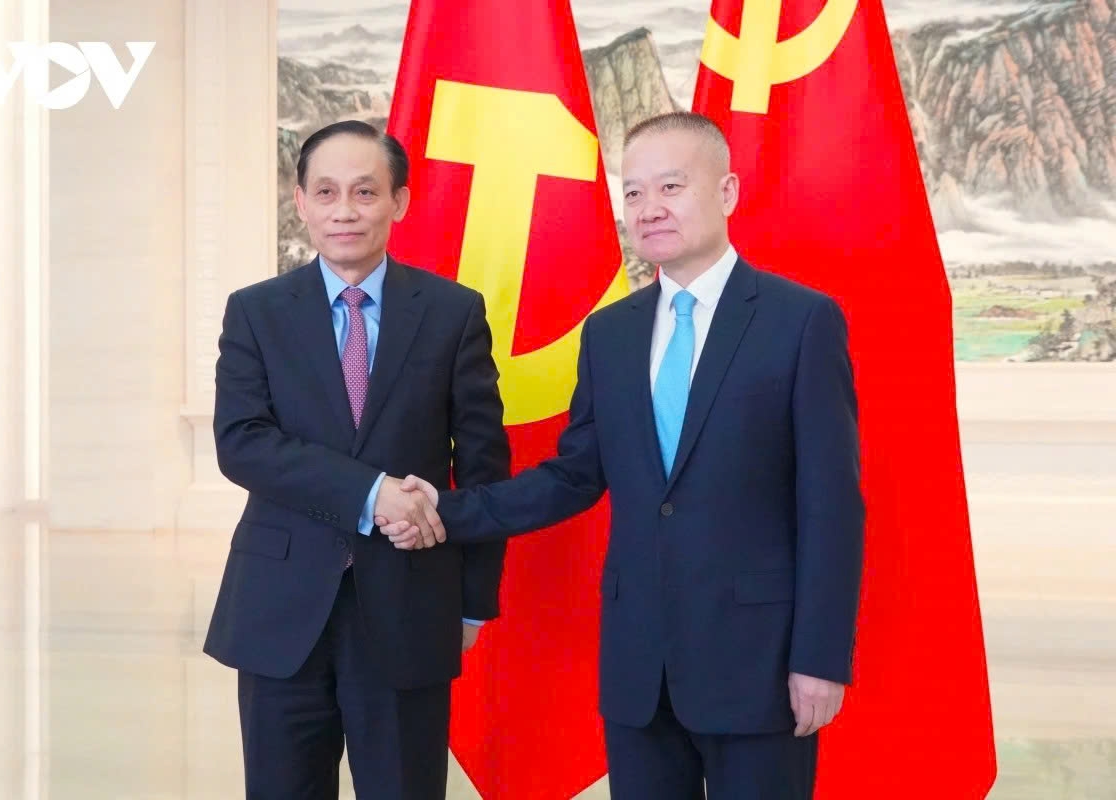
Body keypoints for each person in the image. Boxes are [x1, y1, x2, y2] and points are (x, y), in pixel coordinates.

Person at [378, 111, 865, 799]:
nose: (649, 209)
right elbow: (574, 475)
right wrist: (446, 512)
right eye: (633, 193)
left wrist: (820, 658)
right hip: (640, 669)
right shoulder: (609, 334)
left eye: (670, 186)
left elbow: (832, 506)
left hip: (760, 663)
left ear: (726, 192)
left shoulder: (800, 320)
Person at [203, 119, 511, 800]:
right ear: (301, 202)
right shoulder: (256, 313)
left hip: (411, 607)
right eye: (328, 192)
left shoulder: (453, 313)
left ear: (398, 201)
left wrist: (472, 605)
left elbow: (485, 466)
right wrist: (373, 493)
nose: (345, 210)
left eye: (365, 192)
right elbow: (243, 441)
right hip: (280, 610)